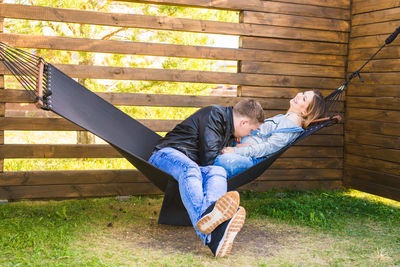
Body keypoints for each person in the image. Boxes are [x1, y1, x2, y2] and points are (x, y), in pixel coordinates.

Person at [148, 99, 264, 257]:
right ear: (243, 122)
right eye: (251, 130)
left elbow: (213, 163)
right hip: (167, 154)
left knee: (218, 172)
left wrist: (236, 147)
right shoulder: (215, 115)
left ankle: (215, 237)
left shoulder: (230, 133)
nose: (248, 134)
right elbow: (208, 157)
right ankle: (214, 233)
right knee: (191, 169)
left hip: (194, 166)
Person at [214, 90, 326, 178]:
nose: (299, 96)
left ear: (305, 112)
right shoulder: (285, 118)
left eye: (304, 98)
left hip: (248, 158)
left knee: (220, 160)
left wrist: (236, 151)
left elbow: (269, 148)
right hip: (241, 147)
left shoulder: (291, 123)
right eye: (302, 93)